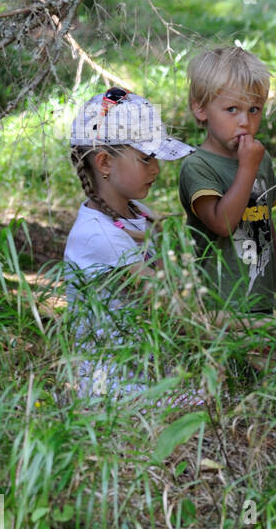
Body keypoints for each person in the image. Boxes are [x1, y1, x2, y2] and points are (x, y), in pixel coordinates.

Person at [63, 87, 193, 399]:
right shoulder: (98, 236)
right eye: (146, 158)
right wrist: (251, 326)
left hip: (146, 371)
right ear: (105, 163)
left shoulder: (139, 215)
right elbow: (173, 310)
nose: (157, 169)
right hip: (110, 386)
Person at [179, 47, 276, 314]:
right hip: (218, 306)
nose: (245, 122)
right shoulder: (197, 165)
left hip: (262, 301)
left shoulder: (261, 160)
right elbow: (222, 224)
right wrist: (247, 169)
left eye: (254, 109)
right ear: (200, 109)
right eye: (232, 109)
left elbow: (266, 222)